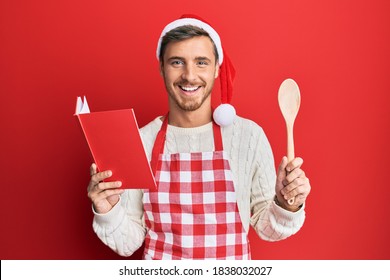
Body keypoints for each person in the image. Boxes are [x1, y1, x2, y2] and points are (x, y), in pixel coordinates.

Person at [87, 15, 311, 260]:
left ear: (217, 68)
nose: (189, 75)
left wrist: (286, 203)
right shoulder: (139, 141)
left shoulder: (248, 137)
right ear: (161, 67)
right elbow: (127, 242)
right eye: (177, 62)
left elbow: (268, 229)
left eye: (201, 62)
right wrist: (107, 209)